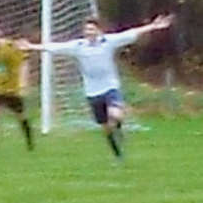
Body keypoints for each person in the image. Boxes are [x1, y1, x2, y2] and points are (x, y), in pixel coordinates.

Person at [17, 14, 174, 160]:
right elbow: (55, 47)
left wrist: (153, 26)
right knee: (105, 127)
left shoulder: (109, 41)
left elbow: (131, 33)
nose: (89, 32)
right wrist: (31, 46)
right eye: (86, 29)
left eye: (92, 29)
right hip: (92, 92)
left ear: (99, 30)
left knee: (116, 114)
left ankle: (118, 128)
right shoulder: (78, 46)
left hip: (110, 87)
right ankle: (117, 154)